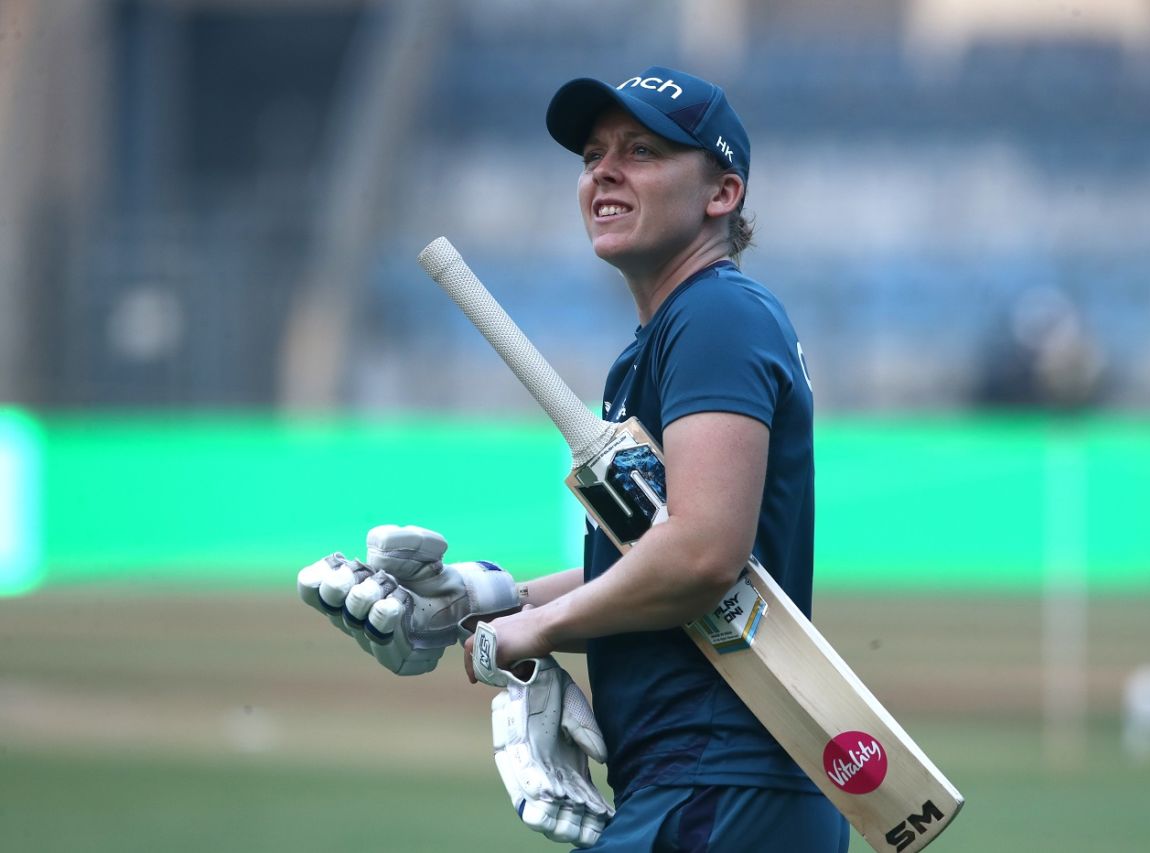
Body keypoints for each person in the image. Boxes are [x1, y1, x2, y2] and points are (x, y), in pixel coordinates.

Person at [299, 66, 846, 852]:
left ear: (720, 193)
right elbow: (657, 565)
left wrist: (539, 628)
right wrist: (480, 600)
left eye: (642, 151)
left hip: (719, 777)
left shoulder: (718, 315)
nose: (604, 172)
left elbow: (701, 556)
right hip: (697, 780)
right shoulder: (665, 340)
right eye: (592, 155)